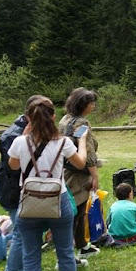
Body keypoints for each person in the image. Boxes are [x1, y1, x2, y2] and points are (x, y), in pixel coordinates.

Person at [7, 96, 88, 271]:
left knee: (31, 256)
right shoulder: (63, 142)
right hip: (58, 201)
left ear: (27, 119)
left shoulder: (19, 142)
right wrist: (81, 142)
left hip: (29, 203)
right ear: (53, 116)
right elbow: (80, 162)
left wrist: (25, 137)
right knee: (65, 253)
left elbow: (13, 166)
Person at [0, 95, 43, 271]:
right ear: (28, 116)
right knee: (22, 236)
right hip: (15, 194)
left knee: (25, 235)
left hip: (28, 193)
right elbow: (14, 169)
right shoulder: (12, 136)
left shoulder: (34, 131)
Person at [58, 87, 101, 259]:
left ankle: (82, 245)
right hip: (79, 173)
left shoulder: (65, 119)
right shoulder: (82, 124)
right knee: (76, 211)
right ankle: (71, 252)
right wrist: (95, 176)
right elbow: (88, 152)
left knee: (76, 209)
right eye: (92, 103)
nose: (94, 106)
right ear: (83, 104)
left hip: (66, 169)